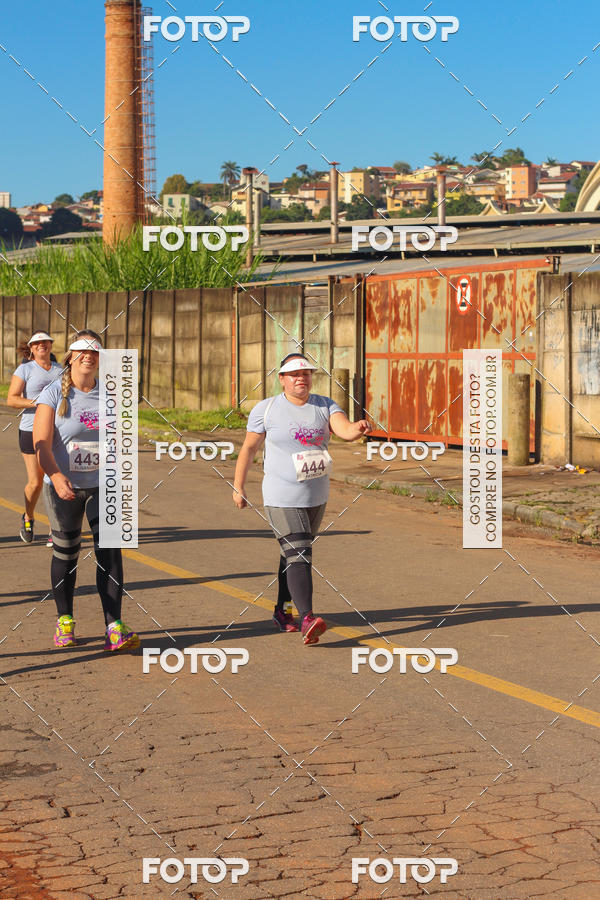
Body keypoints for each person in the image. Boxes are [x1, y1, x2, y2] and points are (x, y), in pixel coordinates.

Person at [233, 353, 371, 644]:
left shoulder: (324, 405)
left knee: (292, 554)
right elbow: (248, 449)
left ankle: (283, 611)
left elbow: (343, 428)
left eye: (306, 373)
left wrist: (356, 429)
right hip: (280, 494)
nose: (301, 378)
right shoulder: (267, 409)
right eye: (294, 374)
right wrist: (238, 486)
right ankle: (307, 617)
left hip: (315, 495)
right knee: (300, 553)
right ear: (282, 379)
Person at [33, 330, 139, 652]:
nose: (88, 357)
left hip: (103, 485)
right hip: (63, 486)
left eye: (95, 352)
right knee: (66, 554)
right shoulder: (53, 393)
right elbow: (41, 444)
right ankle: (65, 621)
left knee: (110, 551)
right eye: (82, 351)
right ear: (70, 356)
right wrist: (56, 474)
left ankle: (114, 626)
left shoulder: (113, 395)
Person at [7, 330, 63, 546]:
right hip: (30, 430)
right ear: (31, 348)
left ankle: (55, 529)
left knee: (53, 479)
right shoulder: (25, 369)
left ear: (50, 346)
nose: (42, 345)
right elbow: (11, 399)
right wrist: (39, 403)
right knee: (36, 482)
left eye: (46, 342)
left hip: (56, 431)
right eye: (37, 343)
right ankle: (28, 517)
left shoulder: (61, 370)